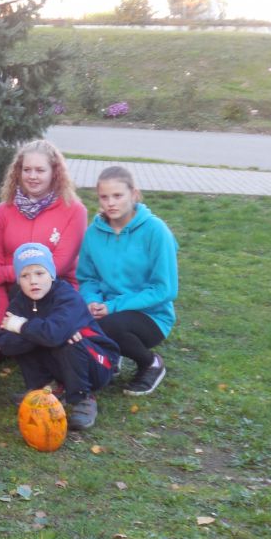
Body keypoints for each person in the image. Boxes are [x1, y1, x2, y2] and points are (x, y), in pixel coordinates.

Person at [0, 139, 88, 357]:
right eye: (27, 169)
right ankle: (31, 337)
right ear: (18, 172)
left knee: (26, 289)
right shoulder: (2, 212)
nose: (32, 176)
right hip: (13, 296)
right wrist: (4, 318)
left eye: (40, 170)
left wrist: (3, 273)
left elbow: (58, 265)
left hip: (56, 291)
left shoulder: (75, 211)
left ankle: (44, 336)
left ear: (54, 173)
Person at [0, 243, 120, 431]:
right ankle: (46, 388)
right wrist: (38, 333)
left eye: (39, 273)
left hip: (97, 364)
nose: (33, 281)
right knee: (36, 338)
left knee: (69, 341)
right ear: (18, 280)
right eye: (25, 275)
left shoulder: (68, 297)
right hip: (58, 362)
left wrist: (22, 326)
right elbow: (4, 343)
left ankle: (83, 397)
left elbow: (53, 335)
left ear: (51, 274)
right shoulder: (20, 301)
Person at [77, 166, 179, 396]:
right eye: (104, 197)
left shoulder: (156, 231)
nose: (110, 203)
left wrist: (112, 306)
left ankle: (150, 363)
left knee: (109, 325)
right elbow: (87, 278)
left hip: (151, 315)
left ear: (134, 194)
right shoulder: (93, 233)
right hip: (107, 309)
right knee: (74, 318)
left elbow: (165, 289)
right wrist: (92, 301)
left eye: (118, 195)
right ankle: (110, 356)